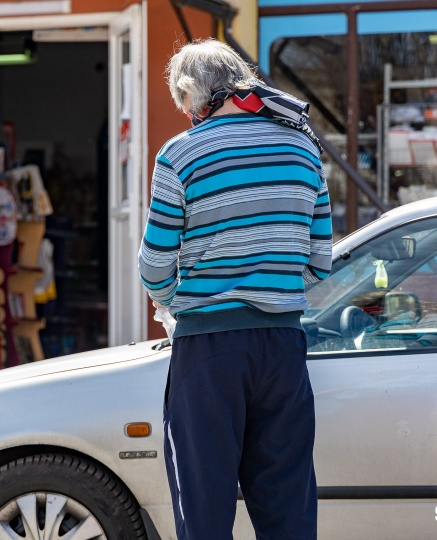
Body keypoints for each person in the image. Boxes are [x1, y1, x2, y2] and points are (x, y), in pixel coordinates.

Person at [138, 39, 332, 540]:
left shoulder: (180, 154)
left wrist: (172, 301)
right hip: (283, 347)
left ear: (190, 95)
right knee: (288, 507)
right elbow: (318, 260)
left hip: (208, 348)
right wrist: (274, 283)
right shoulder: (303, 146)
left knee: (203, 508)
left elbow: (155, 263)